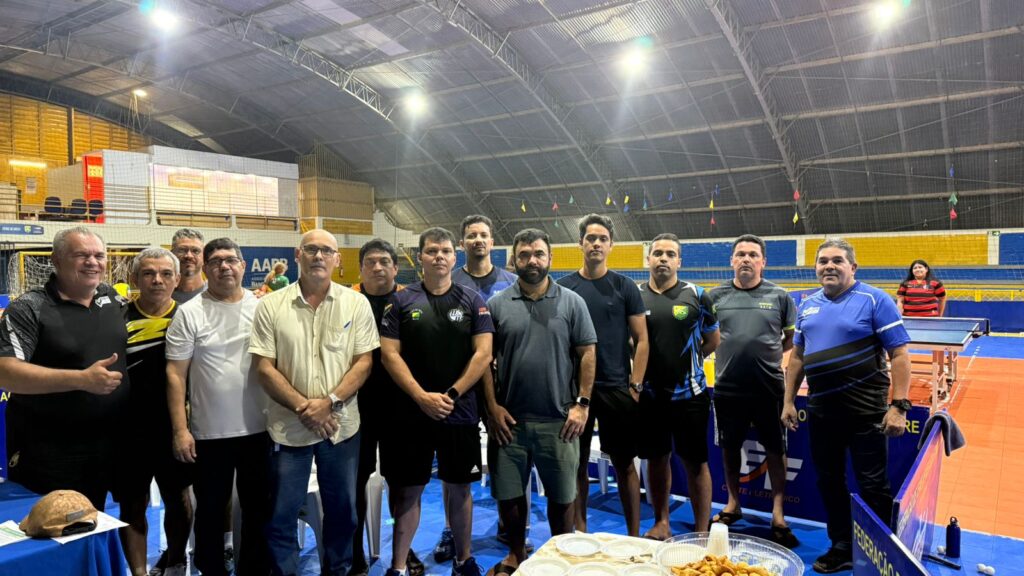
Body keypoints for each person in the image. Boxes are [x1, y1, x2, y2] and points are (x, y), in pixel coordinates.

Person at [250, 229, 379, 576]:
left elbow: (363, 362)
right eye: (311, 249)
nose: (318, 256)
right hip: (288, 429)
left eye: (326, 250)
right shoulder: (270, 306)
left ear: (337, 259)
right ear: (298, 255)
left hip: (340, 427)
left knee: (343, 512)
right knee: (281, 515)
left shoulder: (356, 304)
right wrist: (304, 408)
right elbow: (264, 367)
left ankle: (338, 570)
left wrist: (330, 402)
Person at [782, 238, 912, 574]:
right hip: (822, 413)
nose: (829, 266)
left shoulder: (875, 299)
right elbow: (797, 358)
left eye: (837, 260)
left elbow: (899, 354)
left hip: (867, 414)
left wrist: (899, 406)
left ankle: (879, 550)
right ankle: (841, 546)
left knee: (873, 486)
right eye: (823, 261)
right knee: (829, 482)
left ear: (852, 267)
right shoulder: (807, 305)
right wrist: (788, 401)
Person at [379, 227, 494, 576]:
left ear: (454, 257)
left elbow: (483, 353)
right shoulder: (400, 302)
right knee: (409, 491)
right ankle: (399, 567)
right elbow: (389, 354)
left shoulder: (473, 300)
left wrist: (452, 394)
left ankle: (463, 561)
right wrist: (420, 396)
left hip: (459, 413)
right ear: (420, 257)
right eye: (432, 251)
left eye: (445, 251)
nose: (439, 256)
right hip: (411, 415)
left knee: (460, 489)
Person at [485, 228, 597, 576]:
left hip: (558, 420)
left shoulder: (572, 303)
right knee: (510, 496)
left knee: (562, 498)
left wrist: (582, 404)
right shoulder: (497, 305)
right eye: (524, 255)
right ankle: (516, 555)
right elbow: (483, 361)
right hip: (510, 422)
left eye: (538, 254)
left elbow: (588, 353)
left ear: (550, 258)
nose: (531, 260)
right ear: (513, 260)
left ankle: (558, 558)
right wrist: (492, 408)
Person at [0, 227, 130, 510]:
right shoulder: (29, 308)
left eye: (99, 255)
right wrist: (81, 380)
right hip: (51, 448)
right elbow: (6, 372)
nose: (92, 262)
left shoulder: (112, 299)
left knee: (109, 516)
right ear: (56, 260)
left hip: (112, 440)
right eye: (81, 255)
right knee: (57, 522)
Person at [166, 238, 270, 576]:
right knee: (210, 512)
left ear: (242, 265)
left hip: (260, 430)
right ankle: (211, 570)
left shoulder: (263, 308)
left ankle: (253, 570)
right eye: (215, 261)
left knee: (257, 510)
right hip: (210, 434)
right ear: (205, 268)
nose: (224, 266)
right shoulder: (189, 313)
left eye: (230, 260)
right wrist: (181, 430)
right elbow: (175, 375)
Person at [557, 213, 649, 536]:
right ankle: (580, 533)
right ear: (580, 244)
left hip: (616, 388)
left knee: (625, 465)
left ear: (611, 245)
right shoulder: (563, 287)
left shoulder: (625, 286)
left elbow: (642, 340)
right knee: (577, 465)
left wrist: (635, 386)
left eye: (602, 239)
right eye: (590, 238)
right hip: (575, 393)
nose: (596, 243)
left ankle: (634, 536)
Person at [708, 235, 798, 548]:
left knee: (776, 448)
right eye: (741, 254)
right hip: (728, 388)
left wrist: (766, 355)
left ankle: (778, 513)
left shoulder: (780, 296)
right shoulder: (715, 296)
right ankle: (733, 503)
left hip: (769, 387)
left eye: (753, 255)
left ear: (763, 262)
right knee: (729, 446)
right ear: (732, 260)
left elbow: (790, 339)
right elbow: (708, 336)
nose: (746, 259)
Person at [443, 214, 519, 560]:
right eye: (471, 235)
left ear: (492, 242)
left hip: (504, 384)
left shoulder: (511, 281)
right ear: (462, 243)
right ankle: (451, 532)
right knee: (454, 467)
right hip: (461, 385)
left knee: (506, 454)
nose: (477, 240)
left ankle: (508, 522)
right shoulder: (450, 280)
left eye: (483, 235)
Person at [117, 248, 194, 576]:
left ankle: (176, 561)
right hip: (128, 430)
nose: (157, 280)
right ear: (135, 278)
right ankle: (138, 572)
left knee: (178, 498)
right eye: (148, 273)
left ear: (177, 279)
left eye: (165, 274)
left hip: (176, 427)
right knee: (132, 503)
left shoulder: (190, 317)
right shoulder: (116, 320)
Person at [350, 239, 425, 576]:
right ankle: (355, 553)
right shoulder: (348, 303)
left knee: (401, 484)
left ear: (396, 268)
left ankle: (402, 550)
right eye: (371, 262)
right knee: (355, 484)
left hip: (402, 410)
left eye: (384, 261)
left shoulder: (412, 301)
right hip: (356, 409)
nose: (378, 267)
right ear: (360, 268)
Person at [637, 233, 719, 540]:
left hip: (691, 396)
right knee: (657, 459)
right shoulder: (634, 296)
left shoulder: (697, 295)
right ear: (648, 259)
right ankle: (661, 522)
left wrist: (687, 366)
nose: (663, 258)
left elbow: (712, 340)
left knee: (696, 463)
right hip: (649, 396)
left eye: (670, 254)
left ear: (679, 262)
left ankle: (701, 530)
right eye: (657, 253)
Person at [897, 259, 947, 386]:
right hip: (909, 320)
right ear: (912, 271)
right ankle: (901, 367)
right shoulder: (906, 284)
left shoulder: (935, 283)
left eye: (920, 267)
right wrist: (899, 316)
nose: (918, 269)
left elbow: (942, 298)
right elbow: (900, 300)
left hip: (930, 321)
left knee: (937, 346)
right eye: (915, 268)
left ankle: (941, 368)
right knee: (902, 345)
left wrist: (940, 315)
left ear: (926, 269)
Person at [171, 228, 206, 304]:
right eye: (182, 250)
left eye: (195, 251)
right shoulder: (162, 295)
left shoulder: (216, 294)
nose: (189, 256)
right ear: (172, 255)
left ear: (204, 256)